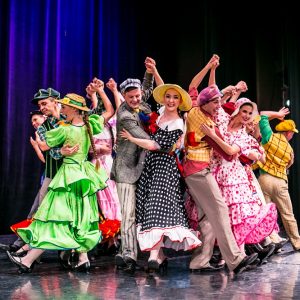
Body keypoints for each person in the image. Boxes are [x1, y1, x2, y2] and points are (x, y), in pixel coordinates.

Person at [7, 93, 109, 274]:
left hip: (68, 176)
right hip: (83, 175)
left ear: (75, 109)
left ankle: (28, 260)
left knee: (53, 220)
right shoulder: (87, 126)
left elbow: (45, 145)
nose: (63, 109)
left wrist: (59, 149)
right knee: (79, 220)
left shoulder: (66, 129)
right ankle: (83, 258)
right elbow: (107, 113)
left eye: (66, 107)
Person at [121, 84, 201, 272]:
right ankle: (161, 255)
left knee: (157, 208)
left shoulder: (178, 123)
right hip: (151, 167)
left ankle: (153, 256)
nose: (171, 100)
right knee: (150, 207)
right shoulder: (162, 113)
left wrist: (132, 139)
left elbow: (156, 146)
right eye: (168, 97)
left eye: (175, 98)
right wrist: (154, 70)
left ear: (180, 102)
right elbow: (162, 86)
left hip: (165, 168)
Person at [183, 84, 258, 274]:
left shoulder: (197, 111)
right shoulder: (207, 123)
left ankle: (199, 261)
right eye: (215, 102)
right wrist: (236, 147)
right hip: (199, 171)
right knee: (220, 209)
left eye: (219, 101)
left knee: (207, 219)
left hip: (193, 170)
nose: (219, 105)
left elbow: (196, 89)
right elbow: (228, 154)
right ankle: (235, 259)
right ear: (206, 103)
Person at [201, 97, 278, 263]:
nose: (247, 115)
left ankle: (240, 254)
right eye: (244, 111)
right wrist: (211, 69)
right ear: (237, 109)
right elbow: (213, 94)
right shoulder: (222, 119)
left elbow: (230, 151)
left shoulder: (244, 135)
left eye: (250, 113)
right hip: (215, 173)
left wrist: (213, 136)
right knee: (219, 217)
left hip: (234, 177)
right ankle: (224, 254)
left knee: (238, 216)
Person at [0, 89, 77, 254]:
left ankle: (72, 250)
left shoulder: (69, 118)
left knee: (71, 212)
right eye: (40, 105)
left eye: (44, 103)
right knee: (39, 211)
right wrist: (60, 150)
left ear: (56, 101)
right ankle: (27, 246)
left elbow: (77, 139)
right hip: (52, 174)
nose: (42, 107)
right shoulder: (44, 127)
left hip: (71, 174)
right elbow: (49, 150)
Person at [111, 77, 153, 273]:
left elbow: (146, 89)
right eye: (131, 97)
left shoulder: (139, 101)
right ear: (124, 97)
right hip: (126, 170)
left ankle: (129, 249)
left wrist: (149, 72)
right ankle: (128, 253)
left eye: (137, 96)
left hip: (141, 167)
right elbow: (145, 139)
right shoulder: (125, 116)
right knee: (128, 214)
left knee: (140, 213)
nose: (136, 99)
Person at [257, 109, 300, 251]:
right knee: (288, 214)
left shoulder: (269, 136)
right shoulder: (290, 150)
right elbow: (289, 164)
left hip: (264, 179)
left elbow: (262, 116)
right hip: (280, 181)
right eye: (292, 132)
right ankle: (297, 243)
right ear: (288, 133)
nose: (292, 135)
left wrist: (276, 114)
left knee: (264, 214)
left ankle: (268, 243)